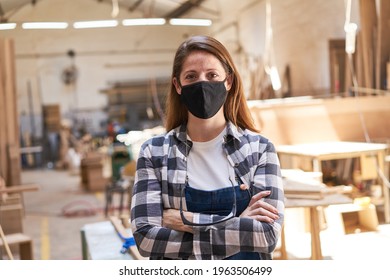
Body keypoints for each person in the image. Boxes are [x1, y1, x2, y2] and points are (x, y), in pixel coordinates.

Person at [130, 35, 284, 260]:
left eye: (212, 75)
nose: (202, 83)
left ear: (228, 82)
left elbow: (266, 235)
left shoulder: (259, 150)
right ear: (178, 85)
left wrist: (186, 221)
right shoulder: (154, 153)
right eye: (191, 77)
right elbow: (146, 239)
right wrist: (238, 222)